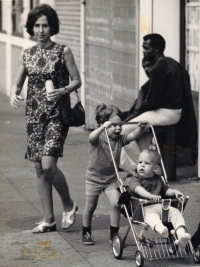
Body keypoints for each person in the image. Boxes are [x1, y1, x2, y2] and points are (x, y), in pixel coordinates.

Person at [10, 4, 82, 233]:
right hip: (33, 115)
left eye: (45, 25)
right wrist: (14, 92)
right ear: (31, 28)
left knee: (48, 165)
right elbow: (18, 81)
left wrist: (63, 91)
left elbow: (77, 80)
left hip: (57, 114)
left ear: (52, 27)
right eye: (37, 25)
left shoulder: (63, 51)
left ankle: (69, 204)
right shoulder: (27, 53)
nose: (41, 30)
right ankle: (48, 219)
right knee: (38, 167)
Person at [82, 104, 148, 245]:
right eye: (114, 125)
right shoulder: (99, 137)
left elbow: (133, 135)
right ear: (104, 125)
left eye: (120, 125)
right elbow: (90, 137)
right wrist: (102, 128)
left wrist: (141, 127)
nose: (118, 128)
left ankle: (114, 234)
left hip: (111, 179)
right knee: (90, 207)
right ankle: (86, 231)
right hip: (93, 179)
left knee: (116, 204)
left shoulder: (119, 139)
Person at [120, 33, 183, 174]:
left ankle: (142, 168)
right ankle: (141, 169)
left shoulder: (159, 67)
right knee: (140, 135)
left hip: (166, 113)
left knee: (122, 131)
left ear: (157, 49)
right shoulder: (170, 62)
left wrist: (137, 111)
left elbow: (152, 102)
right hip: (172, 112)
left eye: (146, 48)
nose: (143, 51)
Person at [127, 148, 191, 244]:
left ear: (155, 168)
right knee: (151, 216)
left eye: (147, 163)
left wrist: (174, 192)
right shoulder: (135, 179)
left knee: (175, 212)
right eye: (140, 162)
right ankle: (161, 229)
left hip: (160, 206)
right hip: (143, 209)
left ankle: (181, 233)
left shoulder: (158, 179)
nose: (142, 165)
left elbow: (165, 190)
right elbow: (138, 189)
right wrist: (149, 195)